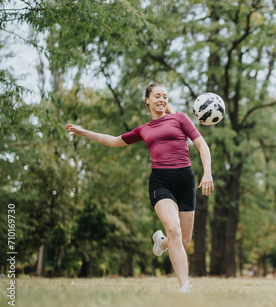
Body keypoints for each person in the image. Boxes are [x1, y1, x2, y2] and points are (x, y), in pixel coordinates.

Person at [65, 83, 213, 293]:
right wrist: (83, 132)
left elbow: (201, 144)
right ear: (147, 100)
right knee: (173, 229)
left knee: (184, 241)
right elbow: (114, 141)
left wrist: (207, 172)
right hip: (160, 182)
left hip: (186, 181)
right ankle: (185, 287)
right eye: (157, 96)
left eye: (165, 96)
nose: (162, 100)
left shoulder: (179, 118)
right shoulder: (144, 129)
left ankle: (161, 244)